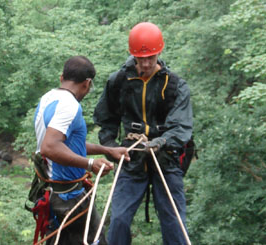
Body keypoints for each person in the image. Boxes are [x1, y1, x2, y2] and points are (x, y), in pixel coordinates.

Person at [93, 22, 193, 245]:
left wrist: (159, 142)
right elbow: (106, 119)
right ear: (132, 55)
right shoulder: (119, 81)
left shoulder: (174, 85)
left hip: (166, 160)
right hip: (131, 159)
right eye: (141, 58)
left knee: (175, 224)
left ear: (159, 52)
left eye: (151, 57)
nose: (146, 63)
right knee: (118, 220)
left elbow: (182, 127)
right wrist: (110, 146)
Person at [34, 55, 130, 244]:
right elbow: (50, 147)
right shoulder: (70, 106)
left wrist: (107, 150)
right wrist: (90, 164)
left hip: (52, 195)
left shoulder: (47, 99)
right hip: (69, 198)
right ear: (87, 83)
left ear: (62, 77)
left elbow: (65, 146)